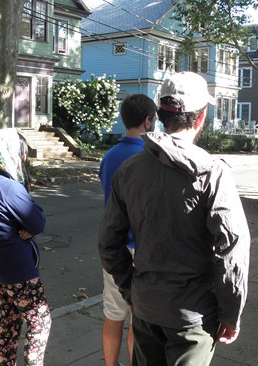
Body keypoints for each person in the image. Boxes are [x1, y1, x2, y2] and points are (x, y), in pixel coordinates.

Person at [98, 72, 250, 365]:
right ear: (201, 117)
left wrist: (133, 289)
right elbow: (232, 249)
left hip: (146, 309)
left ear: (161, 115)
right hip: (192, 317)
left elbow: (108, 243)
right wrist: (231, 312)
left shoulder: (129, 170)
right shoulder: (213, 172)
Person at [0, 128, 51, 366]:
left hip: (1, 262)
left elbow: (23, 219)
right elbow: (37, 220)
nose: (23, 157)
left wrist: (26, 223)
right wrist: (29, 224)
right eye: (21, 151)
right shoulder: (7, 185)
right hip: (19, 267)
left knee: (10, 319)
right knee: (40, 321)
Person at [99, 94, 157, 366]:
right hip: (142, 249)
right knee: (139, 318)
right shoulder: (149, 158)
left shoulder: (109, 157)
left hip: (114, 246)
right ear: (148, 120)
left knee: (113, 314)